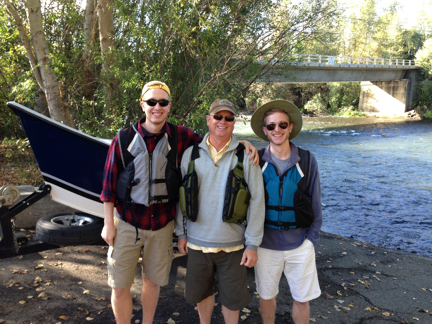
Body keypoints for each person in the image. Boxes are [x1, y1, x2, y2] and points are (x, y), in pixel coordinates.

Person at [100, 82, 258, 324]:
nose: (157, 107)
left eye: (163, 102)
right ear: (143, 105)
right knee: (120, 286)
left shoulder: (181, 137)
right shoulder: (123, 139)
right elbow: (108, 186)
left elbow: (215, 138)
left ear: (169, 107)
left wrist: (244, 145)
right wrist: (107, 223)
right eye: (152, 102)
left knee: (152, 283)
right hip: (127, 223)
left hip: (162, 225)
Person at [175, 99, 265, 324]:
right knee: (202, 294)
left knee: (231, 300)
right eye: (218, 117)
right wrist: (181, 233)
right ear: (208, 120)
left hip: (233, 245)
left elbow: (257, 200)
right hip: (197, 243)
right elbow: (180, 197)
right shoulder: (190, 154)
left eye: (229, 118)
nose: (222, 122)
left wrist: (252, 244)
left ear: (234, 123)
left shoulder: (247, 156)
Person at [250, 100, 322, 324]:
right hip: (265, 244)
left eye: (282, 125)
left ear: (290, 127)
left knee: (301, 298)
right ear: (265, 131)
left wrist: (312, 239)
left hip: (300, 242)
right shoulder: (255, 160)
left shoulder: (307, 160)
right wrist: (243, 142)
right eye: (271, 126)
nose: (277, 130)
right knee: (266, 296)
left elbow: (316, 202)